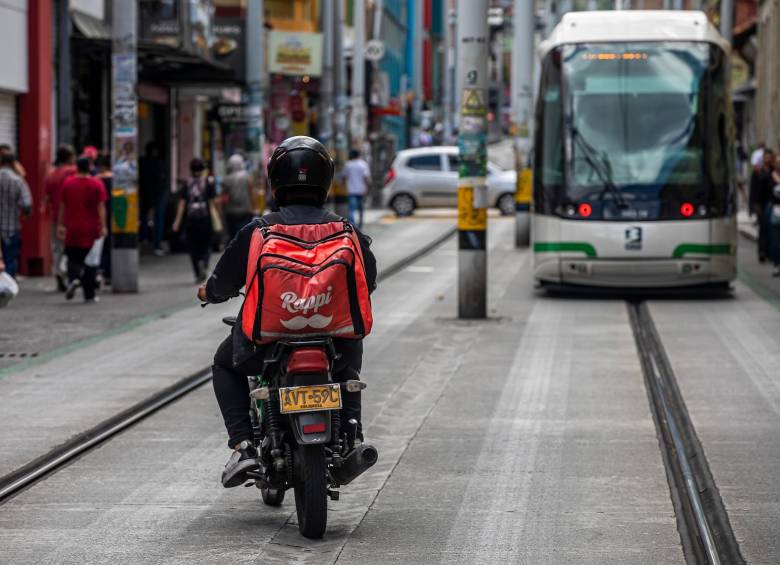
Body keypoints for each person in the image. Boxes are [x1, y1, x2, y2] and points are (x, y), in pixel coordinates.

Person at [197, 136, 377, 488]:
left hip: (265, 345)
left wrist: (210, 292)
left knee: (223, 364)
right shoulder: (346, 229)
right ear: (325, 180)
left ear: (275, 181)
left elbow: (222, 281)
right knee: (348, 366)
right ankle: (352, 435)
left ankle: (245, 445)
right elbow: (367, 281)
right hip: (334, 344)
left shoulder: (259, 230)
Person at [57, 157, 108, 303]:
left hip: (73, 228)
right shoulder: (97, 184)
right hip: (92, 229)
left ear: (77, 168)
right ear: (90, 167)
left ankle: (74, 279)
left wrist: (60, 225)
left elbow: (62, 206)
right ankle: (89, 294)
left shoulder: (68, 184)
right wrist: (103, 226)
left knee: (73, 258)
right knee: (91, 262)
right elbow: (101, 207)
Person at [172, 158, 219, 282]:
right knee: (206, 244)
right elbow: (213, 202)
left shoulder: (187, 184)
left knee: (193, 247)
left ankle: (198, 271)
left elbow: (182, 204)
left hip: (191, 220)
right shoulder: (208, 183)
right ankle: (204, 261)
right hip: (206, 219)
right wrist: (218, 216)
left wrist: (177, 222)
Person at [45, 144, 77, 290]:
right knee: (72, 247)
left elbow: (46, 197)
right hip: (71, 215)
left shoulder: (51, 173)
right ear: (70, 157)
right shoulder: (72, 171)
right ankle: (66, 273)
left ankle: (58, 270)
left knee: (57, 247)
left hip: (55, 216)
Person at [0, 152, 33, 278]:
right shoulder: (18, 180)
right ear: (14, 163)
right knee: (9, 259)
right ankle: (5, 287)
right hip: (11, 227)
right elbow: (26, 203)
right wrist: (25, 213)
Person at [139, 142, 167, 255]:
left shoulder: (142, 162)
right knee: (158, 219)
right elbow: (163, 178)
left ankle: (144, 239)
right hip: (158, 193)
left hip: (146, 193)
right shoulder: (160, 164)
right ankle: (156, 244)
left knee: (144, 217)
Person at [221, 153, 255, 240]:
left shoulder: (226, 179)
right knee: (244, 235)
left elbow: (224, 198)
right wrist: (253, 207)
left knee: (233, 236)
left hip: (231, 212)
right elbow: (251, 192)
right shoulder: (247, 176)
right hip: (245, 211)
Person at [750, 149, 775, 263]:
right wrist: (754, 205)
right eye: (766, 157)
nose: (768, 159)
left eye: (770, 157)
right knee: (763, 229)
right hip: (761, 204)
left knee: (771, 228)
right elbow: (754, 190)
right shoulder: (757, 171)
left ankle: (769, 252)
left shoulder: (774, 172)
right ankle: (762, 252)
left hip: (771, 204)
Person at [342, 149, 371, 228]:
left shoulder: (348, 164)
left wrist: (344, 186)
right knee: (361, 210)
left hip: (351, 191)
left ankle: (353, 226)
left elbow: (344, 177)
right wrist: (367, 188)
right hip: (361, 190)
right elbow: (366, 178)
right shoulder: (363, 164)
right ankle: (360, 226)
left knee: (351, 210)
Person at [95, 153, 113, 284]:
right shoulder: (115, 179)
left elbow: (99, 203)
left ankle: (100, 270)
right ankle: (109, 273)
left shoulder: (96, 180)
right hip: (113, 214)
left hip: (98, 216)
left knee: (101, 245)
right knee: (110, 244)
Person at [769, 154, 780, 277]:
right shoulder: (769, 177)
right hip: (775, 212)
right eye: (777, 162)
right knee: (776, 241)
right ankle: (777, 264)